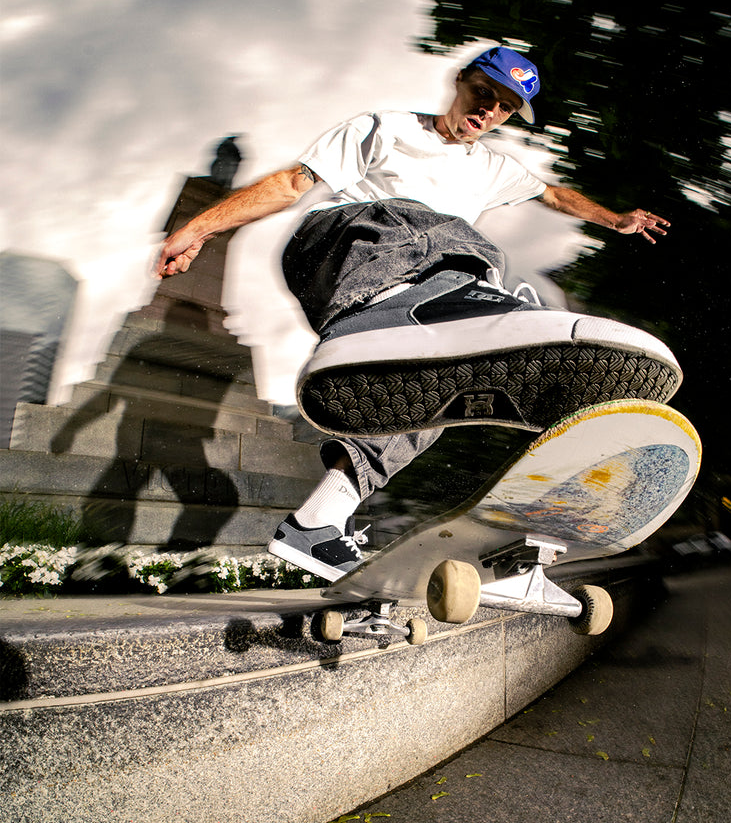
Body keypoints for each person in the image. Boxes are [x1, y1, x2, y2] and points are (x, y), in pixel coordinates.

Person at [155, 46, 674, 582]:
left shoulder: (494, 167)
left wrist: (614, 219)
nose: (486, 112)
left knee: (427, 399)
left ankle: (317, 523)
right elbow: (292, 184)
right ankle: (451, 305)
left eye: (502, 109)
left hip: (403, 287)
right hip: (342, 248)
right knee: (448, 233)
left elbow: (557, 196)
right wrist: (199, 228)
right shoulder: (385, 128)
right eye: (481, 94)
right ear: (460, 80)